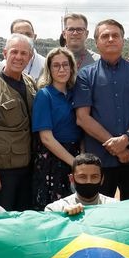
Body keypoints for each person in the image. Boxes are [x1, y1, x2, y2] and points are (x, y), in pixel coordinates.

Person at [74, 19, 129, 200]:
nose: (111, 39)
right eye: (105, 36)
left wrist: (126, 138)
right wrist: (117, 147)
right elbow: (82, 118)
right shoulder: (85, 75)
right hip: (99, 163)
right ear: (96, 42)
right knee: (98, 218)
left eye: (115, 35)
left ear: (123, 40)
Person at [0, 34, 37, 211]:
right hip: (3, 170)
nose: (19, 57)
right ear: (5, 53)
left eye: (24, 53)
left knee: (26, 217)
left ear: (30, 57)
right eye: (14, 52)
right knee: (3, 219)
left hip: (27, 166)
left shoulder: (30, 82)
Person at [32, 47, 82, 209]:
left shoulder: (76, 93)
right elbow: (46, 138)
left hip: (75, 156)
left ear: (72, 67)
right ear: (49, 69)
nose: (61, 69)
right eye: (56, 65)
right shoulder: (44, 95)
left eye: (65, 65)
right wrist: (74, 163)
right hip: (53, 161)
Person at [44, 153, 116, 213]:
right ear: (72, 179)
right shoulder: (55, 209)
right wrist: (63, 217)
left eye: (94, 177)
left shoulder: (115, 207)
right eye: (82, 177)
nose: (89, 181)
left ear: (102, 179)